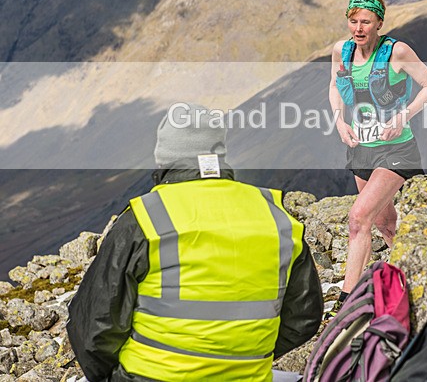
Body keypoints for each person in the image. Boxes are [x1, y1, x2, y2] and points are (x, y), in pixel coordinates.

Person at [67, 103, 322, 381]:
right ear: (219, 154)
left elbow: (94, 324)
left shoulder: (146, 217)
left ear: (163, 158)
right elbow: (304, 317)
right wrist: (239, 358)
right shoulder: (276, 215)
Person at [329, 0, 427, 311]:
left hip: (397, 149)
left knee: (358, 218)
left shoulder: (397, 52)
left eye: (366, 22)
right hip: (361, 149)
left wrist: (403, 116)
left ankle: (346, 303)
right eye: (353, 21)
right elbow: (335, 86)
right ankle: (416, 272)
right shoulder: (342, 51)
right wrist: (339, 122)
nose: (358, 28)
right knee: (384, 224)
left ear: (379, 23)